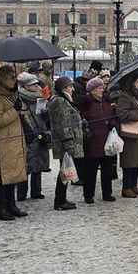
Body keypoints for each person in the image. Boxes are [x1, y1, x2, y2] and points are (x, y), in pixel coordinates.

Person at [0, 65, 29, 221]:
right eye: (12, 77)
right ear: (3, 79)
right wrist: (14, 110)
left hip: (15, 140)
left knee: (13, 175)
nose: (14, 80)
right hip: (4, 142)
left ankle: (11, 205)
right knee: (3, 176)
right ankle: (2, 208)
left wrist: (20, 108)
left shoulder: (10, 93)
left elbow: (18, 113)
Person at [76, 77, 117, 203]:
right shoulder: (86, 104)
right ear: (92, 90)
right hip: (92, 141)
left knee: (107, 170)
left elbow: (112, 116)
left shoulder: (106, 102)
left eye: (102, 87)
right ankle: (88, 195)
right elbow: (81, 120)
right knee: (91, 172)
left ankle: (107, 193)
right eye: (99, 88)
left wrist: (113, 124)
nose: (101, 90)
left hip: (106, 141)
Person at [48, 77, 83, 210]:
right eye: (70, 86)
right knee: (65, 170)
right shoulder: (60, 101)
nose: (73, 89)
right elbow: (63, 124)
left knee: (67, 170)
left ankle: (62, 198)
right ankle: (60, 200)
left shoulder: (64, 100)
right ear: (63, 88)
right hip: (65, 143)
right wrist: (69, 143)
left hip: (67, 141)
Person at [17, 72, 51, 202]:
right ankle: (21, 192)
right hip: (27, 134)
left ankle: (36, 190)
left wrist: (47, 110)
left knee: (38, 162)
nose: (36, 87)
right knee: (25, 164)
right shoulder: (19, 98)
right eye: (33, 85)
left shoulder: (41, 97)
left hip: (40, 133)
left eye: (36, 84)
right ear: (25, 86)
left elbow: (48, 118)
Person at [116, 73, 138, 198]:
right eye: (136, 82)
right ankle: (126, 187)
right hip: (129, 134)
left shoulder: (137, 97)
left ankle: (133, 185)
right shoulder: (125, 96)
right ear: (131, 84)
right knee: (129, 161)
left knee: (136, 160)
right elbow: (121, 114)